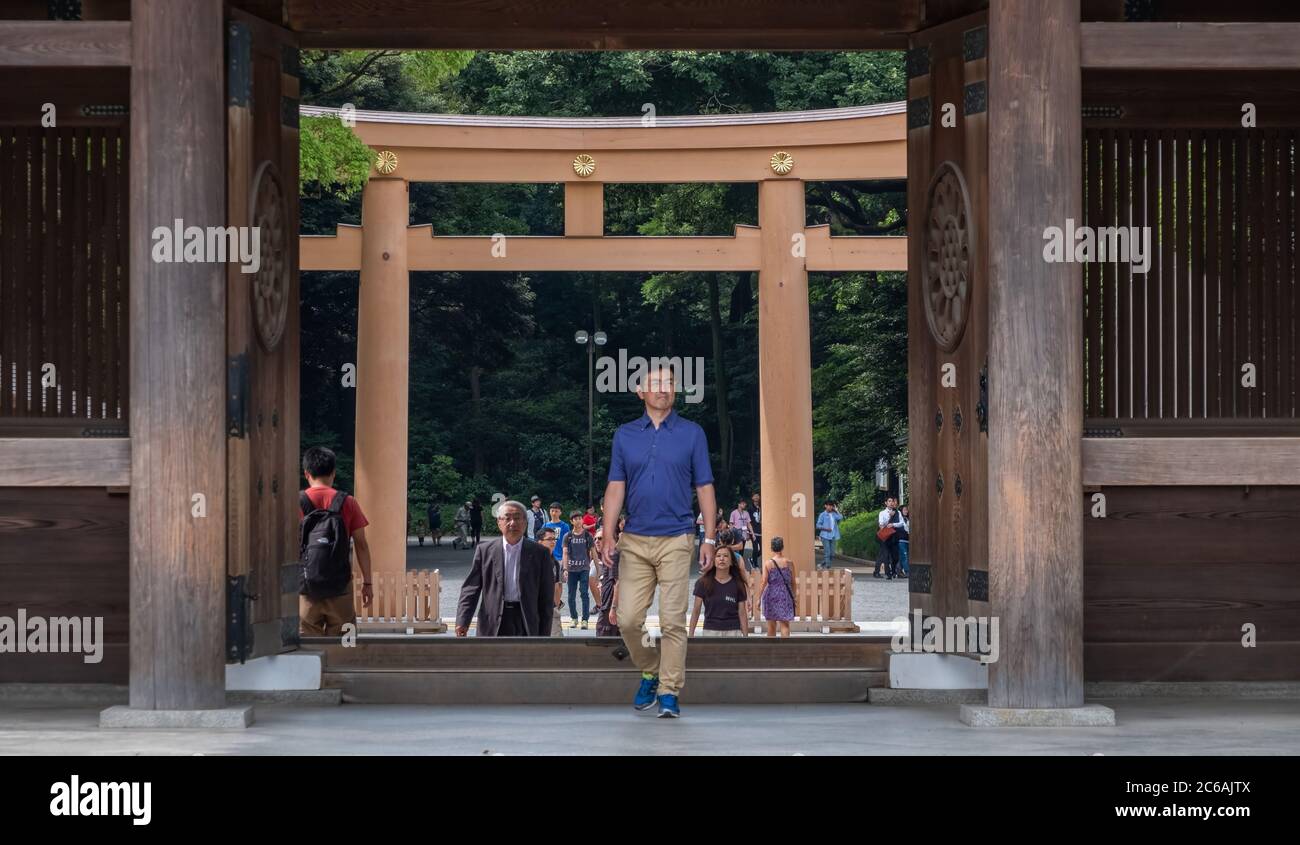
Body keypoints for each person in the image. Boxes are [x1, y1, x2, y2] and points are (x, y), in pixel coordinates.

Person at [601, 364, 717, 719]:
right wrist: (608, 533)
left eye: (669, 383)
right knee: (628, 620)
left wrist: (709, 537)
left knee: (672, 621)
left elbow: (704, 487)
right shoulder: (624, 435)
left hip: (677, 538)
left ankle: (669, 690)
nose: (663, 389)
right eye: (655, 383)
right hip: (634, 538)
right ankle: (650, 668)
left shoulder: (692, 433)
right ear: (640, 391)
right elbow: (616, 486)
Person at [298, 447, 373, 636]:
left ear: (306, 473)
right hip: (340, 588)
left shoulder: (296, 502)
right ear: (333, 472)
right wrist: (367, 583)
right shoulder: (348, 502)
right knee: (346, 643)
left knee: (307, 647)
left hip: (306, 587)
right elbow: (361, 545)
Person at [455, 500, 555, 637]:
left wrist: (544, 633)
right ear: (499, 523)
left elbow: (547, 597)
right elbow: (470, 589)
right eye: (507, 518)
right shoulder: (485, 551)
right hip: (493, 619)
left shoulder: (540, 553)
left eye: (517, 518)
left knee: (526, 658)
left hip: (526, 618)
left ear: (525, 523)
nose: (512, 523)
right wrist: (463, 620)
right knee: (493, 658)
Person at [689, 546, 748, 637]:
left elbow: (742, 612)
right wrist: (691, 634)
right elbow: (696, 610)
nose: (722, 559)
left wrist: (746, 637)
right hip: (710, 631)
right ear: (713, 560)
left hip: (733, 631)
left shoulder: (738, 584)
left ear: (731, 561)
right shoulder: (703, 583)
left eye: (725, 556)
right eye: (718, 556)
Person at [757, 536, 796, 638]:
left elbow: (764, 581)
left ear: (771, 548)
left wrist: (758, 598)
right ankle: (784, 651)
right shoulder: (789, 563)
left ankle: (771, 650)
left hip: (771, 594)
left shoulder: (768, 563)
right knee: (785, 624)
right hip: (785, 595)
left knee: (771, 626)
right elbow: (793, 582)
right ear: (782, 547)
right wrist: (794, 597)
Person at [561, 510, 594, 629]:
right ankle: (574, 618)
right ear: (571, 521)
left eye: (580, 518)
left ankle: (585, 620)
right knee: (571, 595)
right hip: (571, 569)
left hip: (584, 567)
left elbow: (593, 551)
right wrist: (565, 568)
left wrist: (598, 568)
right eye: (575, 519)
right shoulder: (568, 536)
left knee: (584, 593)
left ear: (582, 520)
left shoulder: (587, 535)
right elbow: (565, 553)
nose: (578, 520)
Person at [594, 526, 621, 637]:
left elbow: (618, 584)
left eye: (600, 538)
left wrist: (613, 609)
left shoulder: (612, 556)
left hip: (610, 610)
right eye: (595, 539)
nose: (596, 541)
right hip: (608, 608)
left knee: (602, 644)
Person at [537, 527, 564, 636]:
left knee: (555, 641)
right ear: (540, 542)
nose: (553, 542)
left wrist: (555, 607)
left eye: (554, 539)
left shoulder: (555, 563)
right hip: (534, 609)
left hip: (551, 609)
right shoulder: (532, 560)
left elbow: (557, 587)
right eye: (549, 539)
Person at [875, 497, 904, 579]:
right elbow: (881, 524)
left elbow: (901, 523)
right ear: (886, 503)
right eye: (889, 501)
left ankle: (893, 570)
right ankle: (888, 574)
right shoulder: (882, 513)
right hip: (885, 537)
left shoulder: (898, 512)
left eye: (892, 501)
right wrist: (889, 517)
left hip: (894, 536)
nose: (891, 503)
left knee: (895, 556)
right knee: (885, 555)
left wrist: (893, 524)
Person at [816, 500, 843, 570]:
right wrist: (826, 529)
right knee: (827, 552)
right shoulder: (822, 515)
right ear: (825, 506)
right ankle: (828, 567)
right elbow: (818, 525)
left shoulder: (834, 514)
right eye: (829, 505)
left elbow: (840, 517)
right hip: (825, 536)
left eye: (831, 506)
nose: (830, 507)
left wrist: (836, 510)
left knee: (832, 554)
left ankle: (821, 564)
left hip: (833, 536)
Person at [729, 499, 752, 563]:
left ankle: (739, 564)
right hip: (736, 534)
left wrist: (751, 533)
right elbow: (731, 524)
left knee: (742, 549)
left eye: (745, 504)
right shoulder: (734, 513)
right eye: (743, 503)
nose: (744, 505)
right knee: (736, 549)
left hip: (744, 534)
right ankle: (734, 563)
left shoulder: (746, 513)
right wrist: (731, 535)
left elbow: (749, 524)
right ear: (739, 504)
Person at [749, 492, 762, 570]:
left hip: (760, 531)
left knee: (762, 549)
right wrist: (751, 532)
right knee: (755, 548)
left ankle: (752, 559)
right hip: (753, 531)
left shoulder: (761, 507)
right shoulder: (750, 509)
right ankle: (755, 564)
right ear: (752, 498)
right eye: (755, 496)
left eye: (758, 496)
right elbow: (749, 521)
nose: (757, 497)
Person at [897, 505, 911, 578]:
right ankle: (907, 572)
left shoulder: (908, 519)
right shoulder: (899, 519)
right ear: (901, 511)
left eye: (907, 510)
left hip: (907, 540)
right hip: (901, 540)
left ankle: (898, 571)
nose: (906, 511)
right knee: (905, 556)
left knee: (903, 557)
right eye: (904, 510)